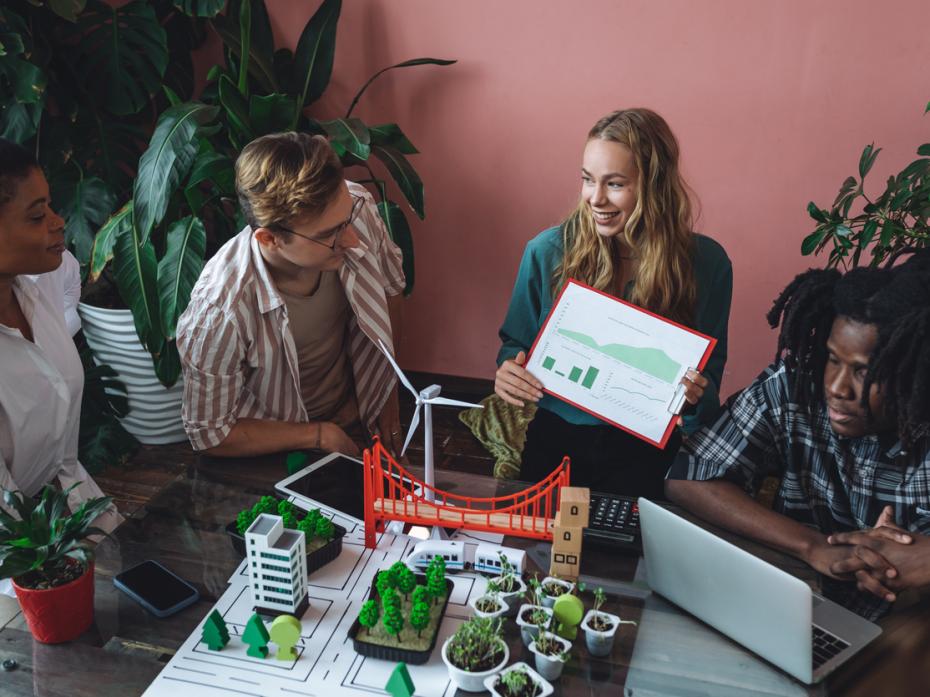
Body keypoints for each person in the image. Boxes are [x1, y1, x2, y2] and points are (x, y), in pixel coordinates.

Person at [666, 256, 930, 620]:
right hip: (795, 612)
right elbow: (689, 477)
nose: (837, 388)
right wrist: (813, 546)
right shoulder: (795, 386)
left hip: (909, 641)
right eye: (834, 360)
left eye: (864, 372)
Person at [495, 109, 732, 498]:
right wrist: (508, 370)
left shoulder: (707, 266)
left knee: (629, 555)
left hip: (647, 448)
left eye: (615, 184)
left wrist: (694, 397)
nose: (595, 198)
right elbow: (514, 345)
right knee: (535, 552)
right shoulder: (546, 252)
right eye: (588, 180)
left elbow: (707, 393)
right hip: (557, 440)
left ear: (654, 186)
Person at [177, 132, 406, 459]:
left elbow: (391, 291)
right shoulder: (219, 310)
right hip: (267, 444)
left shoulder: (353, 207)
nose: (353, 240)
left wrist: (385, 394)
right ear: (269, 239)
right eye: (330, 235)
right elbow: (209, 432)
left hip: (355, 413)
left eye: (347, 221)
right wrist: (318, 435)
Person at [0, 138, 121, 534]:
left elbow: (61, 460)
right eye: (37, 217)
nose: (57, 221)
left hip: (74, 508)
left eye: (50, 206)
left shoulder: (42, 282)